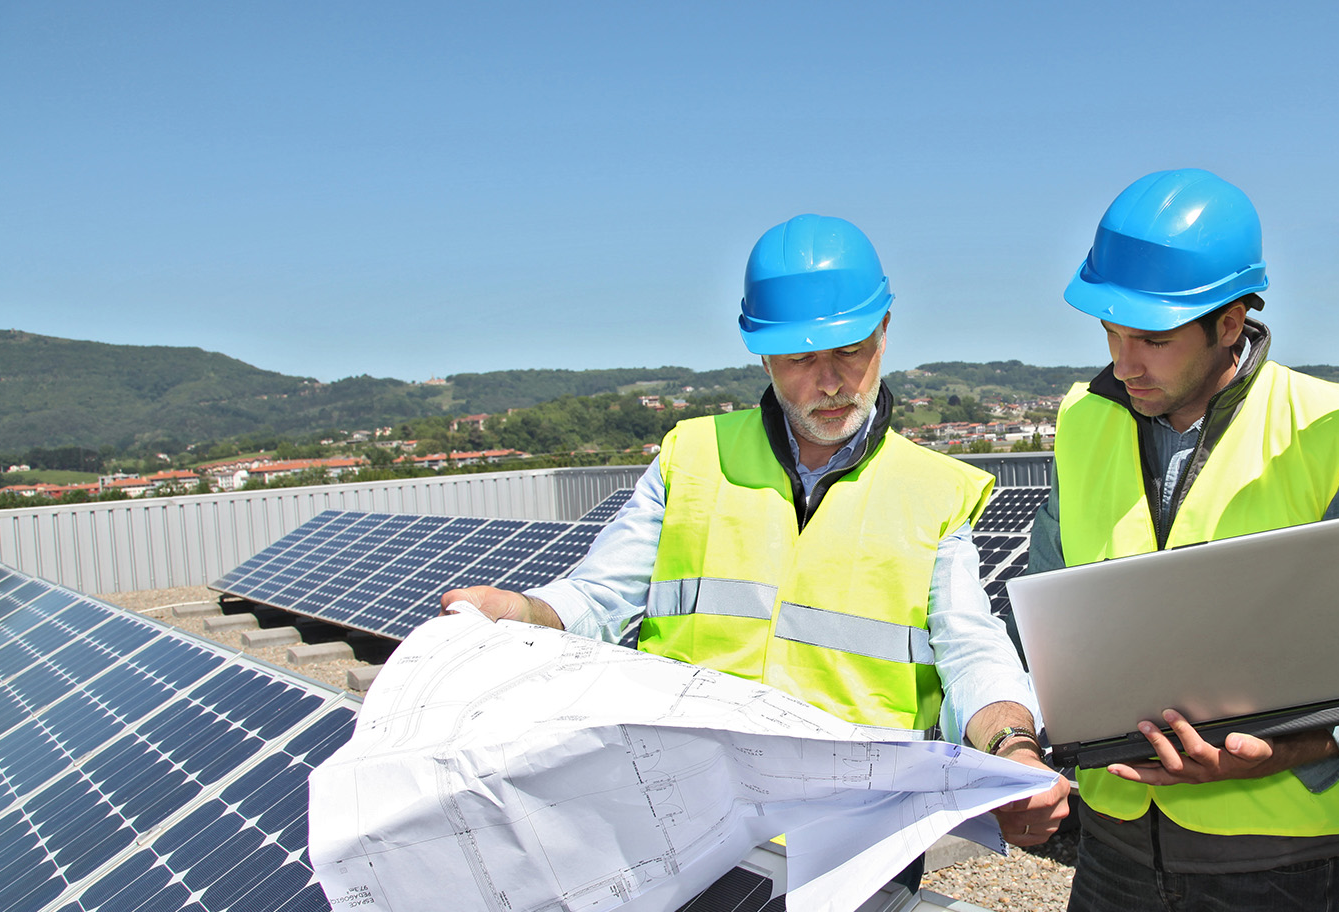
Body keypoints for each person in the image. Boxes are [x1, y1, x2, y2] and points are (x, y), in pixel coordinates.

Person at [444, 214, 1071, 866]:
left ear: (885, 333)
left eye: (850, 350)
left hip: (857, 842)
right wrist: (522, 614)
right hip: (686, 823)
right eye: (801, 357)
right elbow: (598, 600)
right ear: (762, 351)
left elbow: (973, 652)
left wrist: (1013, 748)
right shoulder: (691, 458)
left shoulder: (933, 491)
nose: (829, 381)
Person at [1022, 168, 1339, 912]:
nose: (1124, 363)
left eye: (1153, 339)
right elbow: (1051, 615)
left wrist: (1277, 752)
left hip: (1268, 871)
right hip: (1115, 849)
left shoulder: (1332, 433)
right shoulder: (1083, 424)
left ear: (1232, 321)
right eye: (1112, 332)